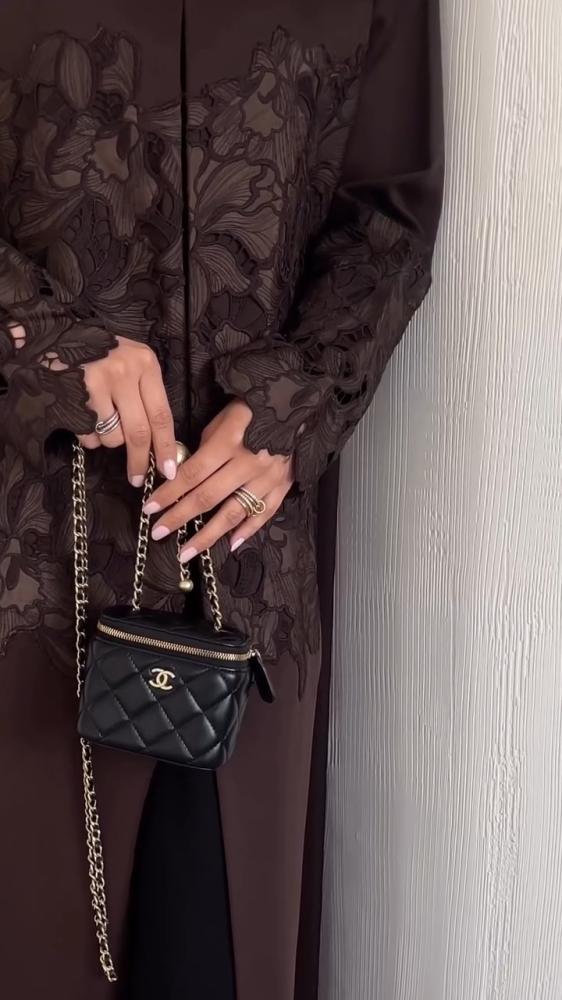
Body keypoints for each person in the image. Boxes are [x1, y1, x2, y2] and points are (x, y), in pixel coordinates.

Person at [0, 1, 444, 998]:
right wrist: (38, 338)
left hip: (245, 578)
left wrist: (295, 399)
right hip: (25, 556)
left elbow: (387, 212)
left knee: (214, 945)